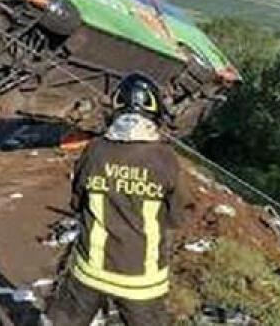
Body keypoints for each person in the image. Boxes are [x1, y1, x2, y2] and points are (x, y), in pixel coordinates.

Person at [45, 73, 187, 326]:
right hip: (141, 280)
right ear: (154, 114)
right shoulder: (166, 159)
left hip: (90, 271)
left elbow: (77, 203)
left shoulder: (95, 150)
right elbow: (175, 218)